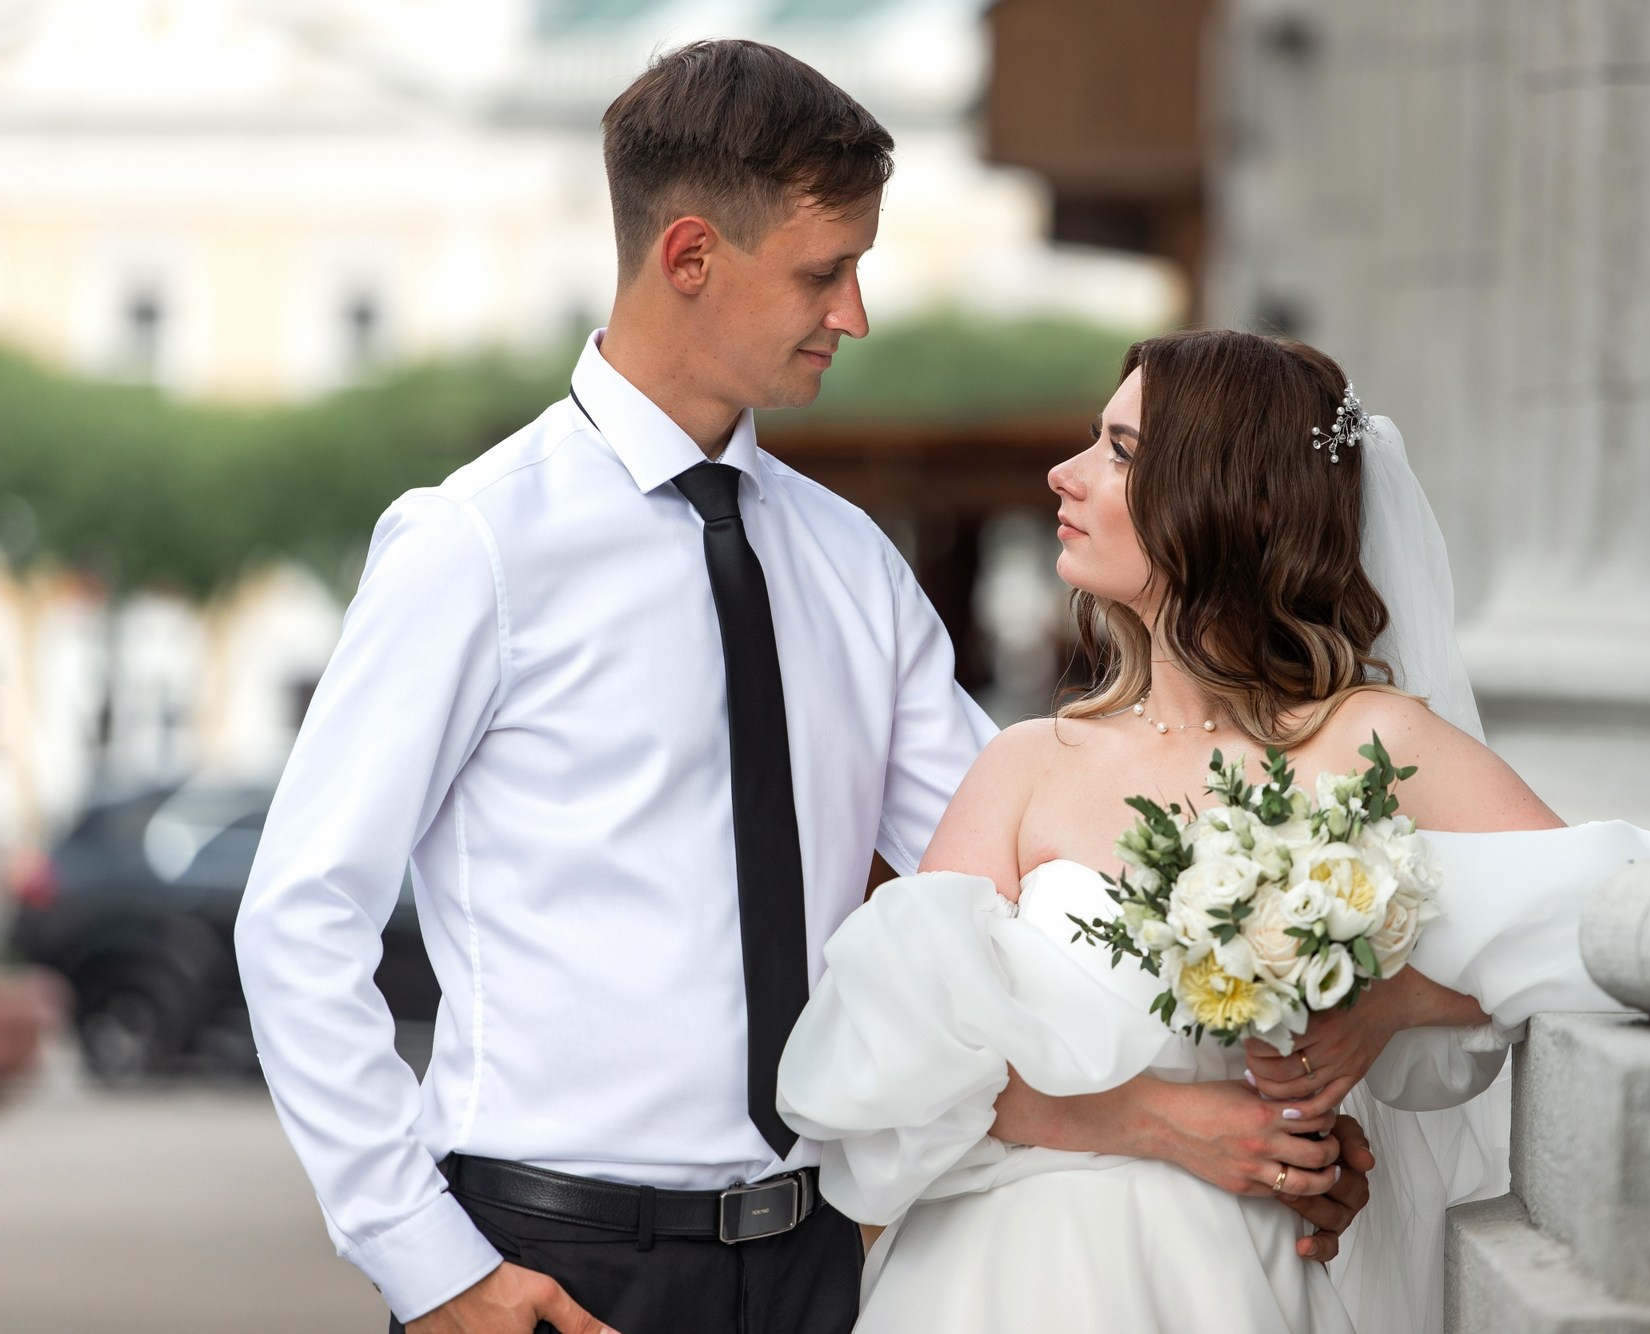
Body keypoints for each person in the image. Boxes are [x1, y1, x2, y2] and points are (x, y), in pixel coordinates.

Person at [236, 43, 1369, 1334]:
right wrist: (425, 1258)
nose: (854, 313)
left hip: (822, 1264)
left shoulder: (848, 563)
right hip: (552, 1261)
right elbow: (300, 918)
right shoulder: (476, 543)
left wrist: (1251, 1102)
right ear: (690, 258)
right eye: (824, 272)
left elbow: (1030, 891)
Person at [778, 329, 1650, 1332]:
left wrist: (1393, 1000)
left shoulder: (1371, 742)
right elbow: (888, 1068)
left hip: (1223, 1278)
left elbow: (1634, 916)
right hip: (989, 1280)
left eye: (1119, 450)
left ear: (1239, 499)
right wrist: (1152, 1123)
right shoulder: (1028, 762)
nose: (1064, 474)